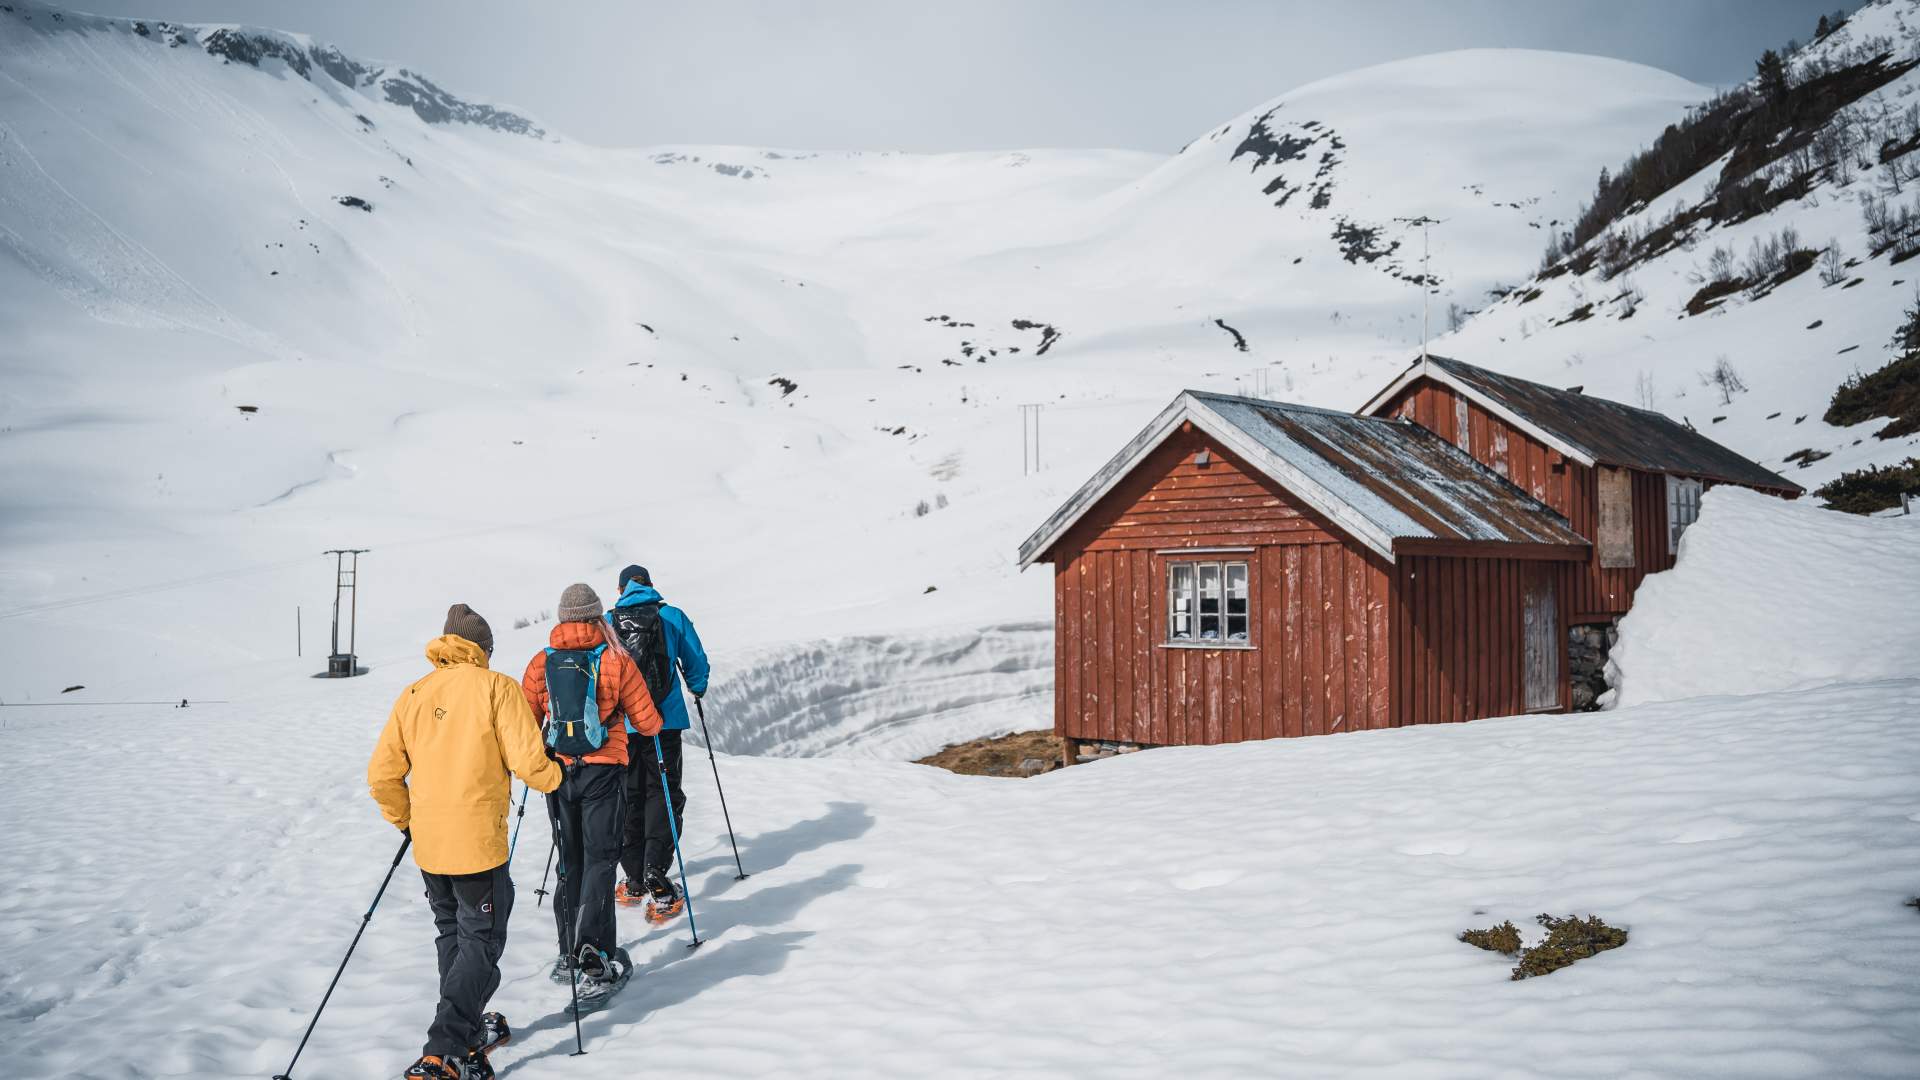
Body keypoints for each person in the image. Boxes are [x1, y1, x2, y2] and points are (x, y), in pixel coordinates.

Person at [368, 604, 562, 1080]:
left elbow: (382, 776)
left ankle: (467, 1033)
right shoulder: (496, 688)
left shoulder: (414, 693)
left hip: (431, 847)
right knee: (481, 943)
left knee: (453, 936)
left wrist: (407, 822)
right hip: (477, 847)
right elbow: (529, 764)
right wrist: (558, 775)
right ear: (482, 649)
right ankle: (445, 1049)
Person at [520, 582, 662, 1005]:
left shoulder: (542, 661)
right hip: (604, 771)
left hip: (559, 774)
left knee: (571, 862)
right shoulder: (615, 659)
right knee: (601, 860)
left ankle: (568, 953)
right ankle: (594, 951)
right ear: (598, 615)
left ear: (563, 617)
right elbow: (648, 722)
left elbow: (526, 719)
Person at [605, 564, 711, 922]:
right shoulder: (671, 616)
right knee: (664, 793)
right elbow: (696, 662)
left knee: (629, 796)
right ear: (650, 585)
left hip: (624, 726)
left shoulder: (609, 622)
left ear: (620, 591)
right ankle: (656, 871)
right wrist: (697, 688)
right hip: (664, 724)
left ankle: (633, 879)